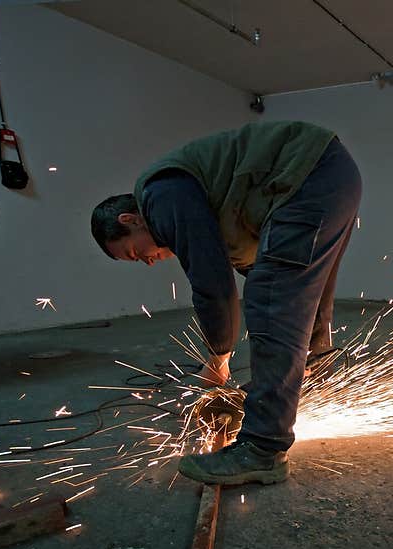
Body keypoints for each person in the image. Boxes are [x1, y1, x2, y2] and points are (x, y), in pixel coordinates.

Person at [91, 121, 362, 485]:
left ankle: (262, 449)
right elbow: (272, 281)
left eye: (135, 252)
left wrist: (218, 359)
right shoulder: (206, 199)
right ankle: (304, 376)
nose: (148, 260)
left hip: (307, 176)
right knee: (288, 295)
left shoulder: (159, 195)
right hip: (329, 175)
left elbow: (212, 284)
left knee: (269, 302)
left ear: (131, 219)